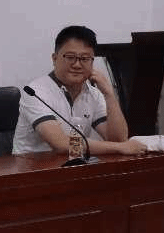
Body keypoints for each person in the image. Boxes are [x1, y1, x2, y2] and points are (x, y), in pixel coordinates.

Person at [13, 25, 148, 156]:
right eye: (70, 57)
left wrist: (109, 94)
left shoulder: (94, 94)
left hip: (74, 165)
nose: (77, 65)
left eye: (84, 59)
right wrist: (119, 148)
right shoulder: (36, 92)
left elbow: (118, 140)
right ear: (55, 58)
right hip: (30, 167)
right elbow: (61, 144)